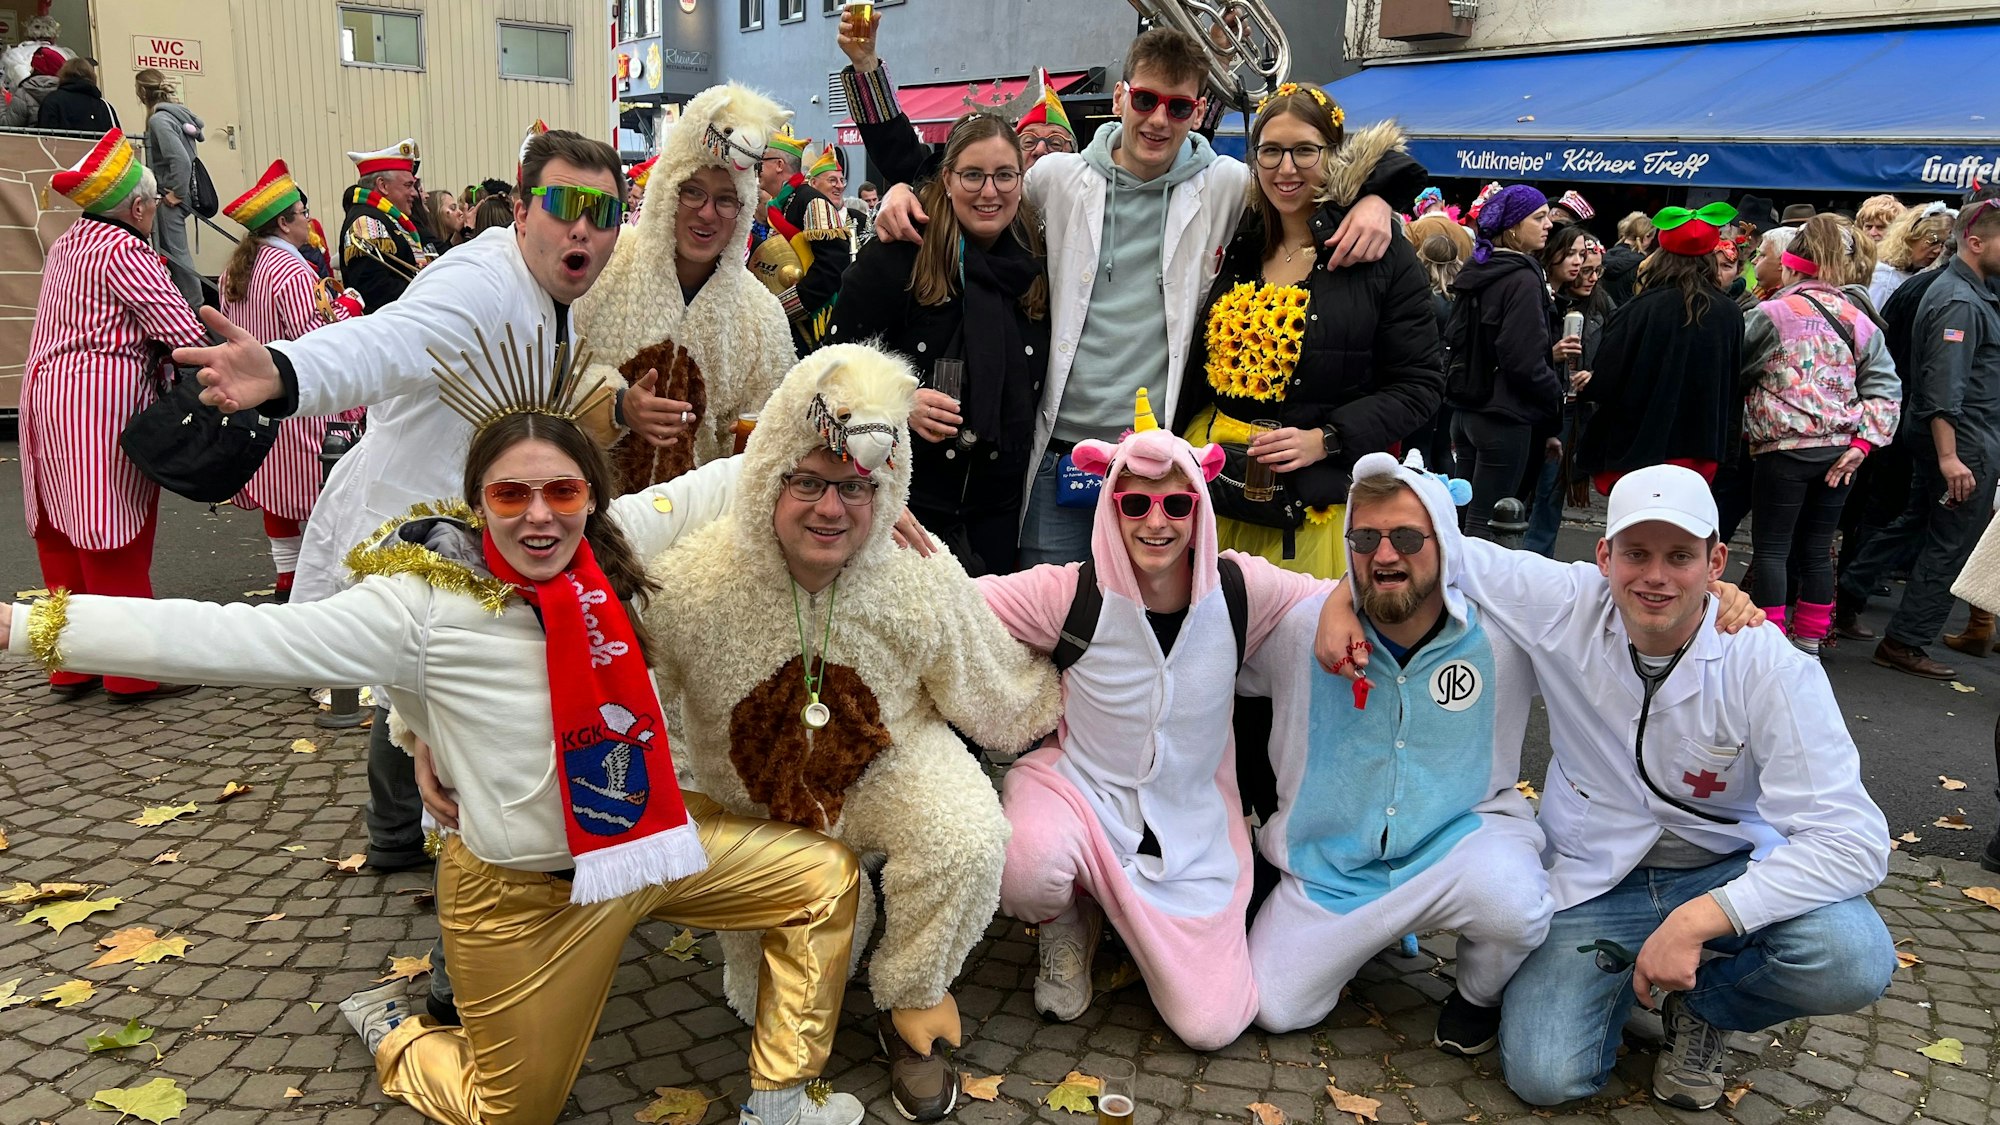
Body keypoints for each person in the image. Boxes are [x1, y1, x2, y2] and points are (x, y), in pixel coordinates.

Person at [1, 401, 871, 1125]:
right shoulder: (422, 602)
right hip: (524, 895)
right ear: (478, 501)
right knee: (511, 1112)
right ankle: (395, 1029)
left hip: (646, 849)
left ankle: (783, 1098)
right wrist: (29, 625)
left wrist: (872, 472)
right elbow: (239, 636)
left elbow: (723, 478)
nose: (540, 514)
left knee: (823, 878)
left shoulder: (606, 548)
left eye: (562, 490)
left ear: (591, 496)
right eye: (512, 493)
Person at [179, 130, 694, 891]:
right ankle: (463, 899)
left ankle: (392, 837)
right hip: (412, 521)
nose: (582, 227)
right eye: (561, 205)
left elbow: (549, 375)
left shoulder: (552, 291)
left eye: (603, 211)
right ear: (521, 211)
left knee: (412, 685)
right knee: (437, 688)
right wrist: (286, 371)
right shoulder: (476, 285)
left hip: (478, 517)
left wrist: (616, 401)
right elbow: (386, 342)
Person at [1372, 465, 1892, 1110]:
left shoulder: (1769, 664)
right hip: (1600, 877)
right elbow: (1428, 543)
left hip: (1723, 869)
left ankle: (1705, 1006)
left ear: (1716, 561)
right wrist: (1343, 600)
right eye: (1636, 553)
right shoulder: (1564, 600)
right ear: (1603, 555)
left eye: (1681, 556)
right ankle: (1625, 974)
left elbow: (1854, 843)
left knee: (1850, 958)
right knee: (1545, 1078)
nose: (1655, 576)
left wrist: (1703, 919)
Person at [641, 343, 1063, 1122]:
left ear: (888, 488)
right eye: (806, 481)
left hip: (887, 766)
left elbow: (992, 681)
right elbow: (610, 676)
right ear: (769, 474)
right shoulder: (693, 583)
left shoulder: (916, 571)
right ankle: (824, 956)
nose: (830, 509)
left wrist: (1096, 676)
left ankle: (911, 999)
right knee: (768, 997)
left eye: (856, 487)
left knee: (966, 833)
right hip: (762, 809)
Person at [875, 27, 1420, 570]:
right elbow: (974, 188)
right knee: (1051, 627)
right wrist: (903, 188)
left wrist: (1377, 198)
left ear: (1198, 111)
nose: (1159, 119)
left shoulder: (1226, 185)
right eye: (1145, 100)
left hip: (1157, 465)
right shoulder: (1056, 179)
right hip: (1056, 458)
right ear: (1121, 97)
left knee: (1148, 619)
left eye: (1178, 107)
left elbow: (1315, 171)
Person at [979, 395, 1340, 1049]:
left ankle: (1139, 920)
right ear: (1111, 506)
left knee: (1211, 1024)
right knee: (1027, 868)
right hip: (1080, 794)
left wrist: (1342, 607)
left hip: (1194, 829)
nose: (1156, 521)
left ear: (1199, 508)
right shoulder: (1069, 592)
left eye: (1176, 504)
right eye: (1135, 503)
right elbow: (956, 603)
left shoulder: (1238, 589)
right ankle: (1071, 917)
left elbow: (1327, 599)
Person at [1240, 451, 1550, 1055]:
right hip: (1333, 869)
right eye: (1366, 537)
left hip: (1457, 846)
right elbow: (1198, 631)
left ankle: (1477, 998)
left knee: (1514, 905)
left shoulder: (1508, 638)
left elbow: (1616, 619)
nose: (1385, 555)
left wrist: (1712, 601)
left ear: (1446, 543)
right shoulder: (1300, 629)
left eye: (1408, 536)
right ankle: (1362, 939)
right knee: (1275, 1008)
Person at [1175, 83, 1442, 578]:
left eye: (1305, 150)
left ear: (1335, 155)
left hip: (1312, 502)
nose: (1286, 168)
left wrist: (1329, 438)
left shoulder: (1379, 254)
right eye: (1271, 151)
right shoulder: (1239, 240)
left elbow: (1420, 386)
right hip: (1214, 481)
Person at [18, 129, 206, 703]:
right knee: (112, 531)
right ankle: (131, 671)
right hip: (98, 399)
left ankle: (71, 665)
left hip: (43, 396)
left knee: (60, 533)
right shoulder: (125, 250)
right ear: (141, 205)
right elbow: (177, 328)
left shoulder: (68, 243)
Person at [825, 113, 1048, 575]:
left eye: (1005, 175)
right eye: (972, 175)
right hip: (903, 508)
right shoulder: (900, 251)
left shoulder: (1037, 261)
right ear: (945, 178)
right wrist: (899, 401)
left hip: (1001, 514)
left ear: (1021, 179)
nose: (990, 192)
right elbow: (828, 366)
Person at [576, 82, 798, 494]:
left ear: (744, 208)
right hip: (590, 515)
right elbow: (550, 377)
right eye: (692, 192)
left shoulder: (761, 317)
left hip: (697, 529)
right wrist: (617, 406)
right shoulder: (605, 265)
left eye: (726, 199)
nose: (707, 213)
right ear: (667, 191)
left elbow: (776, 438)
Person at [1836, 197, 2000, 678]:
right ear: (1974, 242)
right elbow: (1942, 388)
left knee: (1915, 525)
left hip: (1958, 439)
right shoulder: (1959, 300)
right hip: (1962, 443)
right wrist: (1951, 457)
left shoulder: (1965, 291)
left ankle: (1843, 596)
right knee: (1949, 543)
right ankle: (1905, 642)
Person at [1739, 214, 1902, 657]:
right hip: (1839, 452)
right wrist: (1862, 445)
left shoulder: (1770, 314)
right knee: (1816, 548)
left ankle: (1768, 646)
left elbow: (1736, 368)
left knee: (1772, 549)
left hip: (1783, 450)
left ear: (1791, 265)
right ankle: (1809, 644)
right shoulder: (1860, 320)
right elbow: (1887, 390)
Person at [216, 160, 367, 600]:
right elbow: (314, 335)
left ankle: (287, 576)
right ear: (284, 222)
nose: (307, 219)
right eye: (302, 213)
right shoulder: (293, 271)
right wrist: (351, 310)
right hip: (298, 398)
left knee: (277, 492)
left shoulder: (234, 271)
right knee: (322, 493)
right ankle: (320, 583)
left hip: (256, 402)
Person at [1574, 204, 1743, 494]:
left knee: (1634, 534)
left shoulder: (1639, 309)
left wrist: (1587, 385)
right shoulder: (1729, 314)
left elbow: (1606, 379)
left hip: (1637, 450)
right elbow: (1732, 387)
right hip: (1700, 449)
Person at [834, 5, 1076, 189]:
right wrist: (866, 64)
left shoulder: (1094, 200)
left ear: (1075, 154)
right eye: (1029, 141)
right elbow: (903, 157)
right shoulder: (973, 194)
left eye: (1055, 142)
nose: (1041, 150)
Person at [1448, 184, 1564, 540]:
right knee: (1489, 527)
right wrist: (1555, 395)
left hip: (1465, 411)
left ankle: (1446, 591)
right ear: (1513, 226)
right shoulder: (1522, 277)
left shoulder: (1478, 269)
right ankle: (1470, 596)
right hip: (1503, 414)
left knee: (1460, 521)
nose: (1548, 225)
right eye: (1539, 217)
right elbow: (1522, 358)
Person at [1526, 228, 1609, 557]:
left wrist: (1595, 375)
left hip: (1573, 411)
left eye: (1595, 270)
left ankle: (1538, 562)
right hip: (1542, 405)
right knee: (1527, 491)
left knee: (1550, 494)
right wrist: (1552, 353)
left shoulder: (1601, 307)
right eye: (1583, 266)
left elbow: (1610, 355)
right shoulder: (1546, 301)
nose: (1588, 275)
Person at [755, 127, 850, 355]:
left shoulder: (811, 201)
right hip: (792, 326)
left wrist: (782, 307)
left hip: (815, 327)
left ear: (779, 165)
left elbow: (831, 270)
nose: (756, 169)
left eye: (760, 163)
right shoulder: (782, 205)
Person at [1405, 212, 1471, 472]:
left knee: (1417, 448)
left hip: (1422, 379)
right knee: (1443, 446)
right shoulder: (1463, 297)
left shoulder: (1419, 297)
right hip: (1452, 379)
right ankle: (1447, 505)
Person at [135, 68, 204, 309]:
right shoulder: (177, 116)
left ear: (142, 92)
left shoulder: (159, 120)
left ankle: (194, 309)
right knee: (173, 251)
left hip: (170, 196)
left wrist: (177, 192)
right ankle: (188, 305)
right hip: (174, 193)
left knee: (176, 253)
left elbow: (181, 159)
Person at [338, 138, 432, 311]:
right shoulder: (366, 222)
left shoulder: (386, 217)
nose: (414, 193)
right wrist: (427, 295)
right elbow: (375, 291)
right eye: (408, 185)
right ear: (383, 185)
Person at [1870, 202, 1952, 309]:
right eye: (1932, 242)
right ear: (1910, 238)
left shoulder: (1926, 274)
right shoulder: (1884, 278)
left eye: (1943, 244)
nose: (1937, 250)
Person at [1, 46, 63, 129]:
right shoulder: (69, 92)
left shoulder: (24, 93)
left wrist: (1, 100)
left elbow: (7, 125)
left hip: (31, 141)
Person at [1601, 211, 1652, 306]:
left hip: (1601, 314)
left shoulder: (1605, 255)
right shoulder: (1642, 264)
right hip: (1625, 316)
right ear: (1645, 238)